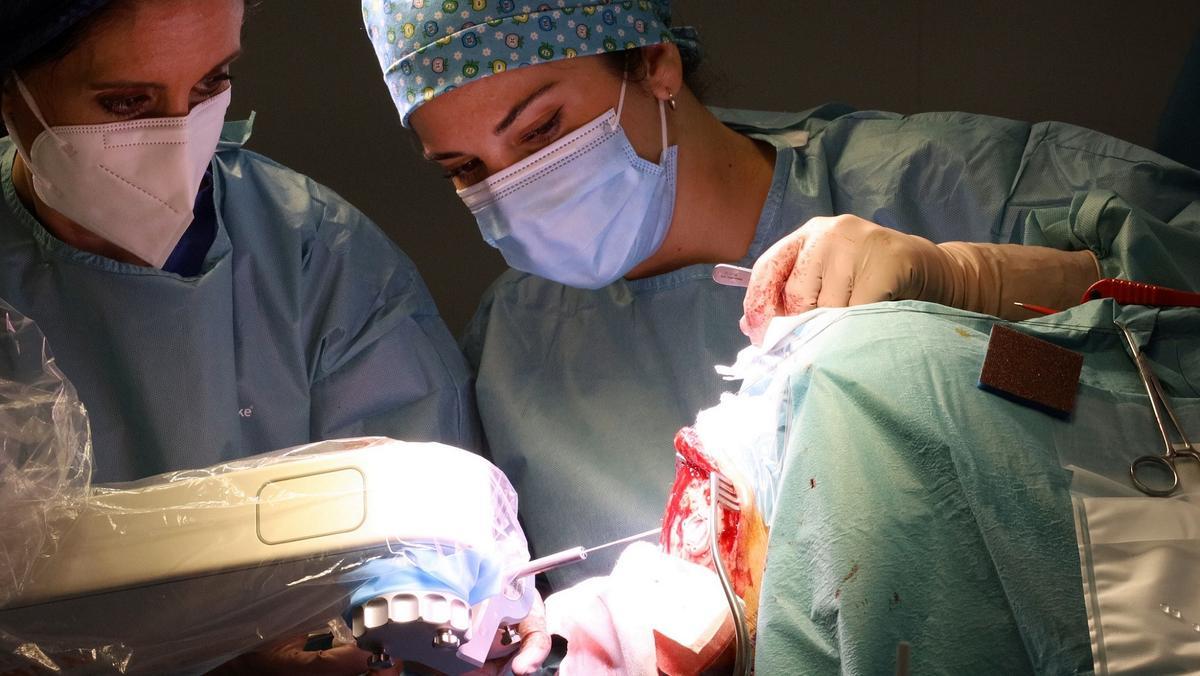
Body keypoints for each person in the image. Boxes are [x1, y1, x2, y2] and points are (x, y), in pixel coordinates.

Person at [360, 0, 1200, 589]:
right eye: (465, 171)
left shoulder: (956, 188)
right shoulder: (518, 347)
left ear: (654, 63)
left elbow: (1173, 333)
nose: (514, 191)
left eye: (541, 130)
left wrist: (980, 294)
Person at [0, 1, 548, 673]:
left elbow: (432, 540)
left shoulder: (314, 257)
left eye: (210, 83)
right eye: (125, 102)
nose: (178, 133)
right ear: (12, 88)